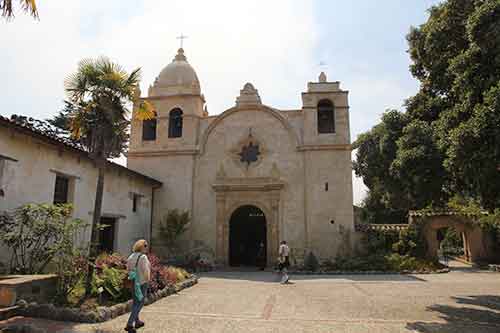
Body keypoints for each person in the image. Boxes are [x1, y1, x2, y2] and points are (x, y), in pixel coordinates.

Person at [125, 239, 151, 332]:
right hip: (142, 282)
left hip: (133, 282)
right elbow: (146, 271)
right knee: (140, 303)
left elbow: (127, 269)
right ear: (141, 246)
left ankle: (137, 322)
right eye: (145, 245)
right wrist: (148, 280)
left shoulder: (131, 256)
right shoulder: (143, 257)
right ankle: (129, 324)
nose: (147, 247)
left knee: (136, 302)